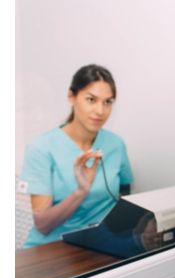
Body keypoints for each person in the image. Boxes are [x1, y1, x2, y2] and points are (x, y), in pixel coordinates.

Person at [20, 64, 134, 248]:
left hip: (98, 246)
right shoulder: (41, 148)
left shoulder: (115, 144)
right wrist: (81, 191)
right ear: (71, 97)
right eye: (91, 100)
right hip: (50, 250)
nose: (100, 111)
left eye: (108, 102)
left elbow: (125, 192)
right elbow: (42, 225)